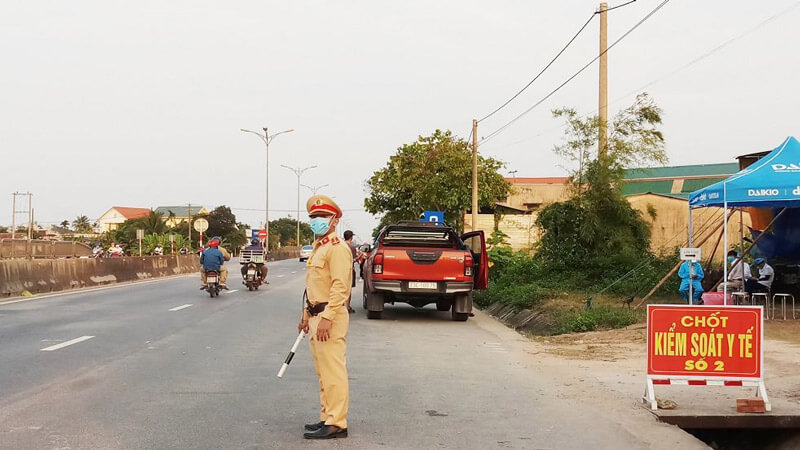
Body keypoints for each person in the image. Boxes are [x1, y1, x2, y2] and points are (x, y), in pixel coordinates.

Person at [298, 194, 352, 440]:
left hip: (330, 317)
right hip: (316, 315)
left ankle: (337, 423)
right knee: (323, 372)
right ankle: (327, 417)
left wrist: (328, 317)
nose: (316, 221)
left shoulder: (338, 249)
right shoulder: (319, 249)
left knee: (333, 371)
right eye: (313, 217)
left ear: (334, 220)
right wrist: (306, 314)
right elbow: (314, 286)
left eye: (321, 217)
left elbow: (341, 286)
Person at [343, 230, 358, 313]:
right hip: (349, 270)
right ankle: (347, 307)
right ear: (351, 237)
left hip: (339, 269)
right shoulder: (351, 247)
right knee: (348, 290)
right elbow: (353, 259)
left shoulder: (340, 246)